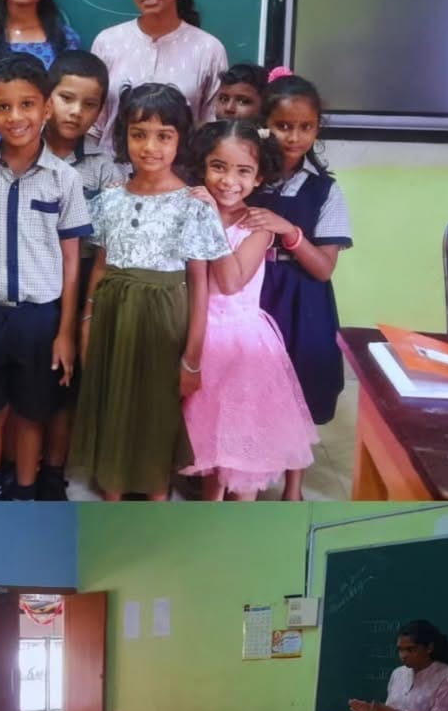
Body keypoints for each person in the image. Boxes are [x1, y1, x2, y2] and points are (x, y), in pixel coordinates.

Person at [70, 84, 236, 501]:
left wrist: (193, 357)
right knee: (113, 404)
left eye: (164, 136)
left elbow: (200, 285)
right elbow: (103, 264)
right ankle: (112, 489)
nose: (150, 147)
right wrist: (87, 321)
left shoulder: (194, 204)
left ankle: (156, 492)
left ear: (180, 140)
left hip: (164, 320)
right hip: (112, 316)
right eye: (139, 133)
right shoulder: (109, 199)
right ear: (124, 134)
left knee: (156, 411)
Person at [0, 53, 92, 502]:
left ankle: (26, 492)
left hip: (40, 319)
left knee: (33, 414)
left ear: (46, 107)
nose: (16, 117)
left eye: (27, 104)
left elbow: (73, 261)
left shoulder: (63, 180)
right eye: (3, 107)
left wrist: (66, 331)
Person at [181, 119, 317, 501]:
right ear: (203, 166)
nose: (228, 181)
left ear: (258, 179)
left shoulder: (259, 226)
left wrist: (210, 221)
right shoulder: (190, 211)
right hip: (197, 334)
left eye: (243, 171)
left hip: (242, 345)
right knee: (208, 445)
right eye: (218, 167)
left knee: (242, 448)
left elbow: (230, 282)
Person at [247, 73, 352, 471]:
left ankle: (293, 483)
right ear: (265, 125)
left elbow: (323, 268)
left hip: (304, 299)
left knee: (301, 384)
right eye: (283, 126)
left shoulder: (326, 189)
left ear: (317, 128)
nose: (293, 137)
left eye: (305, 127)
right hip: (251, 293)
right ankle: (249, 471)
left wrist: (288, 232)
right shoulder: (247, 176)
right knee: (252, 382)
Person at [39, 49, 127, 500]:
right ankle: (21, 469)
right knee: (30, 378)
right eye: (66, 98)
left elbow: (110, 233)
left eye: (89, 104)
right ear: (46, 97)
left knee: (65, 380)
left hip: (85, 274)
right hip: (31, 278)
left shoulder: (103, 165)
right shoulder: (20, 149)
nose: (76, 111)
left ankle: (54, 470)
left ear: (102, 109)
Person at [90, 0, 227, 151]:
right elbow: (95, 123)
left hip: (181, 177)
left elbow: (212, 128)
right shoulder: (107, 43)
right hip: (111, 176)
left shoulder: (208, 49)